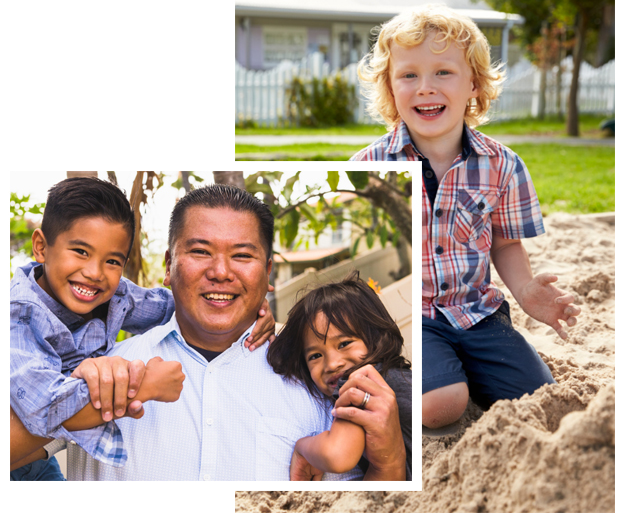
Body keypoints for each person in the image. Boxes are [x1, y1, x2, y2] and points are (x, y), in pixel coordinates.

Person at [54, 184, 405, 480]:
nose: (220, 272)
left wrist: (390, 461)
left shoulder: (314, 379)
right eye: (201, 252)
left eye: (241, 255)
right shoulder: (103, 372)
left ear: (268, 272)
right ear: (168, 266)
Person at [350, 4, 581, 428]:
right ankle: (406, 393)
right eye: (409, 75)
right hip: (416, 319)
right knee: (444, 404)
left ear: (473, 83)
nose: (425, 87)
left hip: (478, 313)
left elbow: (506, 243)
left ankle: (461, 366)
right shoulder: (371, 165)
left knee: (540, 397)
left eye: (443, 72)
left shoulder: (503, 165)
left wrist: (526, 291)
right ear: (390, 86)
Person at [10, 177, 274, 480]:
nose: (94, 273)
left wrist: (255, 313)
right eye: (81, 252)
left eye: (112, 261)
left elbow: (174, 304)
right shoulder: (19, 317)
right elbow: (42, 410)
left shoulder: (113, 293)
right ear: (41, 247)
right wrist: (142, 386)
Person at [267, 271, 412, 481]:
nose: (332, 364)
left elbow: (338, 455)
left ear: (375, 337)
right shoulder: (399, 375)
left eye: (344, 344)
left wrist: (302, 447)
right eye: (315, 356)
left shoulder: (361, 382)